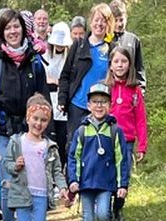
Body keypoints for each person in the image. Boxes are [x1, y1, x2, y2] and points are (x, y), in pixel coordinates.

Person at [0, 8, 48, 221]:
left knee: (30, 180)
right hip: (2, 130)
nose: (12, 31)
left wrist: (45, 133)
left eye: (16, 26)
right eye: (7, 27)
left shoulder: (35, 61)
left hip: (30, 131)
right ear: (2, 32)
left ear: (24, 29)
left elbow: (42, 98)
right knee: (8, 182)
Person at [4, 95, 67, 221]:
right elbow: (6, 164)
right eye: (35, 118)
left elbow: (56, 170)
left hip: (41, 195)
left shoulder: (49, 146)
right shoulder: (16, 142)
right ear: (27, 118)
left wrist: (62, 187)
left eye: (43, 120)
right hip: (21, 194)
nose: (38, 123)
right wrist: (15, 165)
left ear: (48, 122)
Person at [67, 81, 127, 221]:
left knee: (102, 214)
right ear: (88, 105)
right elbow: (73, 157)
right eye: (95, 102)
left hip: (105, 183)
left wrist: (122, 184)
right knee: (86, 220)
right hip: (86, 184)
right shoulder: (82, 131)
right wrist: (73, 180)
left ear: (109, 105)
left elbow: (121, 159)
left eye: (103, 102)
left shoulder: (115, 131)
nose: (99, 105)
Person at [106, 44, 145, 221]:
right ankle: (105, 209)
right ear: (110, 65)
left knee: (124, 176)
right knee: (107, 175)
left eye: (124, 61)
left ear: (130, 65)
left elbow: (140, 119)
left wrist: (142, 145)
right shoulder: (105, 88)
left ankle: (118, 208)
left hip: (126, 141)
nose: (120, 65)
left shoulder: (135, 90)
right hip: (105, 140)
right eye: (116, 61)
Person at [59, 4, 113, 135]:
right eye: (97, 20)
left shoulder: (112, 49)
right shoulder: (78, 45)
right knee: (75, 148)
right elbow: (65, 74)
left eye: (104, 20)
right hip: (78, 105)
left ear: (109, 24)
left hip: (101, 108)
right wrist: (62, 99)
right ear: (91, 21)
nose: (99, 24)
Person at [43, 21, 72, 164]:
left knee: (63, 142)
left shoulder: (70, 58)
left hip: (63, 104)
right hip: (49, 101)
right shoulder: (46, 56)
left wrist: (59, 82)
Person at [108, 0, 145, 86]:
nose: (119, 24)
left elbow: (139, 69)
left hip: (129, 87)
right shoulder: (106, 40)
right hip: (110, 88)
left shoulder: (133, 40)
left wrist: (141, 89)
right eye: (115, 20)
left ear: (126, 18)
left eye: (121, 20)